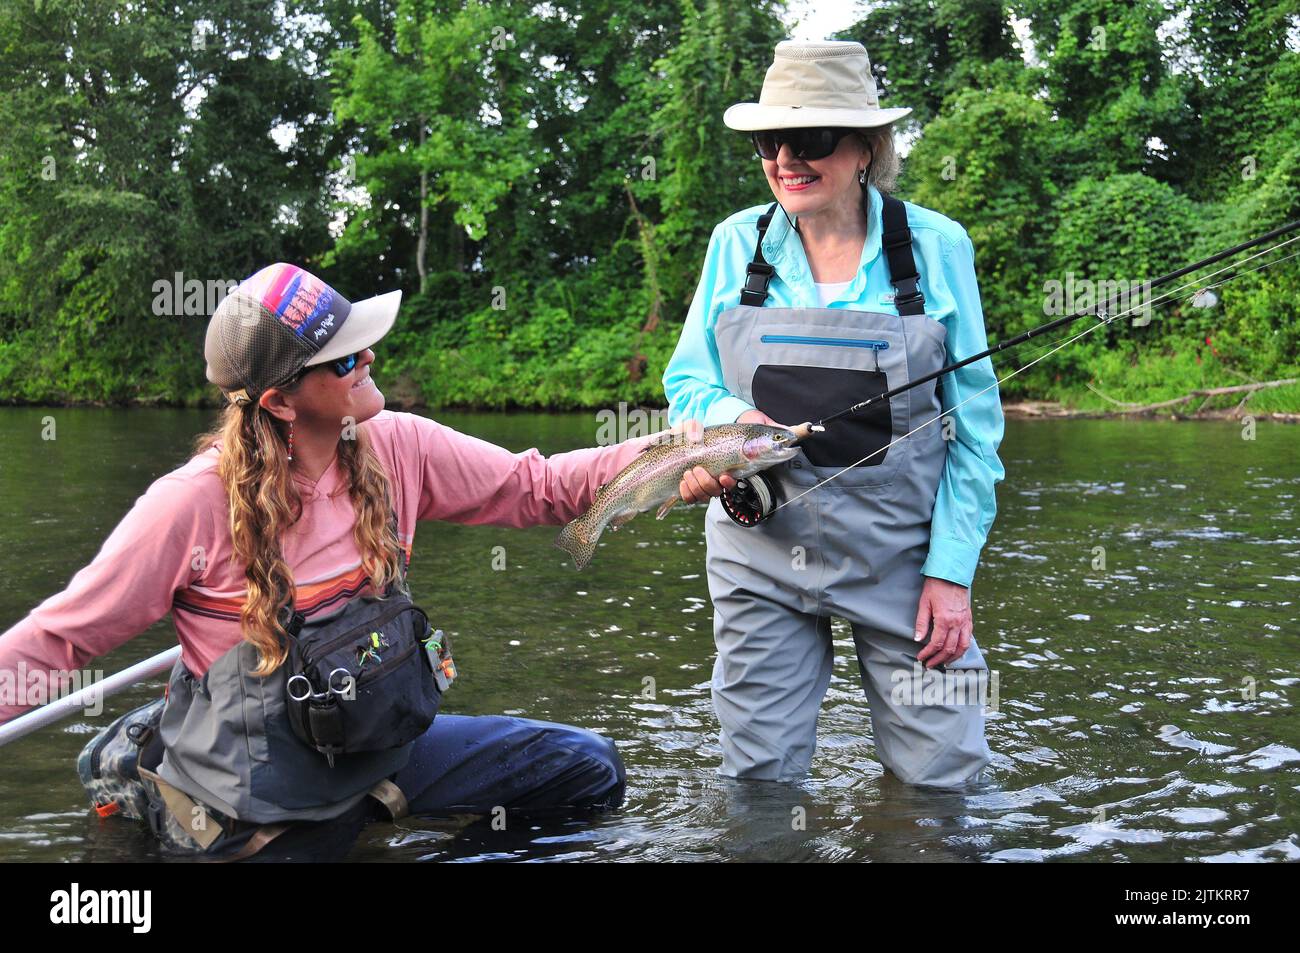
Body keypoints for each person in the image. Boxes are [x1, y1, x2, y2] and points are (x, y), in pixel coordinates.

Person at [0, 262, 675, 860]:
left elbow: (540, 485)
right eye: (345, 358)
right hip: (258, 808)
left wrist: (683, 451)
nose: (370, 357)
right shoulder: (187, 505)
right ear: (281, 400)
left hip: (376, 757)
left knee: (588, 768)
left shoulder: (398, 446)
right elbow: (59, 639)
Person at [664, 40, 1006, 788]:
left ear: (866, 150)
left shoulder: (938, 247)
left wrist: (952, 574)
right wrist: (735, 418)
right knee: (759, 779)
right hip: (759, 548)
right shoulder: (734, 243)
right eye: (768, 141)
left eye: (811, 139)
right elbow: (687, 384)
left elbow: (976, 434)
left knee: (944, 783)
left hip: (904, 564)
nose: (785, 157)